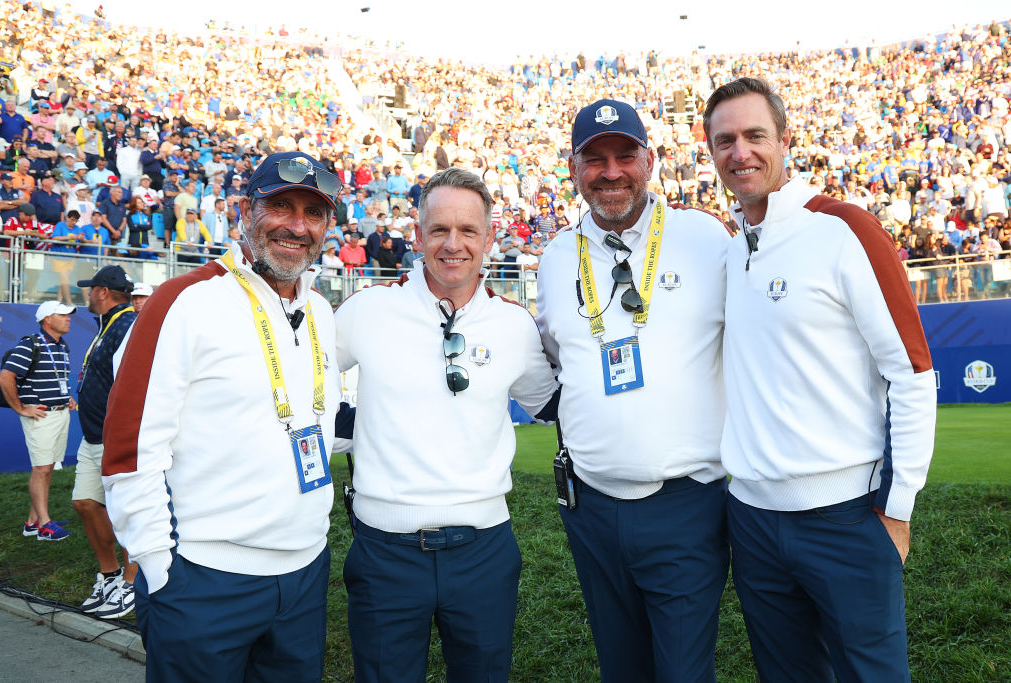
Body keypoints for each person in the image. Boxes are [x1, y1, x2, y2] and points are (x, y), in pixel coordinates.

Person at [704, 76, 937, 683]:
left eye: (755, 135)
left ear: (785, 140)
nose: (740, 152)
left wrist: (898, 508)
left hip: (847, 517)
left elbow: (912, 372)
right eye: (725, 141)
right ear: (711, 153)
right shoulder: (730, 250)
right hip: (752, 520)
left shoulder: (845, 229)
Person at [101, 151, 344, 681]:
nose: (297, 226)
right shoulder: (183, 301)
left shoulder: (322, 311)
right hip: (203, 579)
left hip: (304, 573)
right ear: (244, 211)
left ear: (327, 226)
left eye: (313, 213)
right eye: (281, 206)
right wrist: (157, 564)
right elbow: (131, 446)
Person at [334, 168, 558, 682]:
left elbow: (550, 405)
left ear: (489, 238)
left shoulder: (514, 324)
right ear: (417, 236)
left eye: (468, 230)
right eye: (439, 229)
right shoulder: (368, 309)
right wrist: (360, 426)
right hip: (385, 550)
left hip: (484, 551)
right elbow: (306, 386)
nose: (453, 244)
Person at [534, 99, 731, 682]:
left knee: (683, 671)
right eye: (595, 159)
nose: (611, 172)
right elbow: (556, 359)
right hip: (590, 506)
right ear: (574, 169)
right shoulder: (554, 257)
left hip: (687, 502)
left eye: (625, 155)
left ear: (650, 160)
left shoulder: (704, 237)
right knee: (620, 668)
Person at [72, 265, 139, 619]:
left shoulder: (127, 324)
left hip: (116, 437)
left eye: (90, 289)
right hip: (93, 436)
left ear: (102, 291)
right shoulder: (108, 325)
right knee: (84, 502)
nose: (87, 295)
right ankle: (110, 574)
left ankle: (132, 582)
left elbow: (133, 384)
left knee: (126, 512)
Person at [0, 301, 78, 541]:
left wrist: (66, 397)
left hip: (59, 413)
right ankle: (44, 525)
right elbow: (4, 377)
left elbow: (56, 377)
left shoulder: (62, 345)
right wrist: (21, 408)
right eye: (62, 315)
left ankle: (32, 523)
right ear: (47, 319)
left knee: (48, 467)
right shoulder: (30, 344)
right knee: (41, 469)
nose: (68, 318)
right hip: (42, 416)